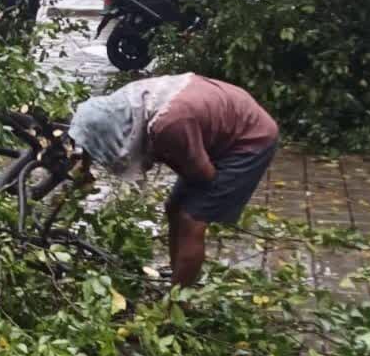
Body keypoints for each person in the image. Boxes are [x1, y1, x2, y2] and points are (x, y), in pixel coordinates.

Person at [69, 74, 279, 288]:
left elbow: (205, 176)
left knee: (191, 220)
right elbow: (90, 129)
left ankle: (177, 303)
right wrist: (84, 168)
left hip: (249, 139)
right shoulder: (120, 107)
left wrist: (205, 200)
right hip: (218, 120)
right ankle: (178, 274)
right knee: (173, 207)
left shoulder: (168, 127)